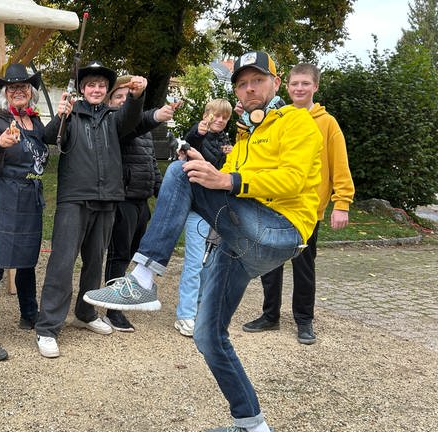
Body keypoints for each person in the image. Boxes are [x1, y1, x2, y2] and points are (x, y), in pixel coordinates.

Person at [84, 51, 322, 432]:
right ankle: (252, 424)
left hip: (281, 229)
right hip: (242, 238)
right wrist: (206, 164)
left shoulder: (298, 122)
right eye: (242, 83)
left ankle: (143, 279)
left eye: (257, 80)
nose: (249, 89)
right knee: (208, 336)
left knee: (179, 172)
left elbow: (292, 180)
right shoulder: (246, 135)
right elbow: (223, 180)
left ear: (276, 84)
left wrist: (228, 180)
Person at [34, 61, 147, 358]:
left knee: (95, 261)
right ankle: (47, 327)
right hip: (74, 198)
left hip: (108, 198)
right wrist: (61, 115)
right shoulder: (71, 114)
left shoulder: (114, 117)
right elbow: (48, 137)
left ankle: (85, 313)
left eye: (101, 85)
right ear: (82, 89)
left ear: (107, 90)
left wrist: (136, 96)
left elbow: (133, 117)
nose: (96, 89)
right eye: (90, 85)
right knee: (62, 262)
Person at [242, 63, 355, 345]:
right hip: (272, 205)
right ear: (286, 86)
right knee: (269, 265)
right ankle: (270, 315)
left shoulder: (327, 123)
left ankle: (304, 320)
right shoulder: (274, 119)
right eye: (295, 84)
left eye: (305, 83)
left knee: (304, 266)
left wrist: (342, 203)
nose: (300, 88)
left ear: (315, 87)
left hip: (305, 211)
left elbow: (340, 165)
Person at [0, 64, 48, 361]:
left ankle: (29, 314)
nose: (19, 90)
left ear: (31, 92)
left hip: (30, 198)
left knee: (28, 260)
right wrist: (0, 146)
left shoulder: (35, 121)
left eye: (25, 86)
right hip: (2, 198)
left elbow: (49, 144)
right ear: (5, 92)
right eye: (13, 87)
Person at [103, 75, 174, 332]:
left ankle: (127, 296)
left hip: (141, 199)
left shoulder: (142, 131)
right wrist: (155, 114)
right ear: (110, 102)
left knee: (136, 253)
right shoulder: (114, 123)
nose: (123, 101)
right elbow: (134, 125)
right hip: (122, 199)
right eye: (118, 97)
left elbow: (150, 162)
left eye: (127, 96)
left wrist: (161, 190)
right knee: (119, 254)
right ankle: (112, 309)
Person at [174, 99, 233, 337]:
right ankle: (185, 315)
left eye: (224, 118)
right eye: (215, 116)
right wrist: (197, 134)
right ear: (206, 115)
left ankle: (200, 310)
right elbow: (189, 141)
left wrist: (231, 154)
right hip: (198, 209)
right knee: (194, 263)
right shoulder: (198, 135)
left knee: (210, 265)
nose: (219, 121)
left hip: (218, 210)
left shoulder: (226, 141)